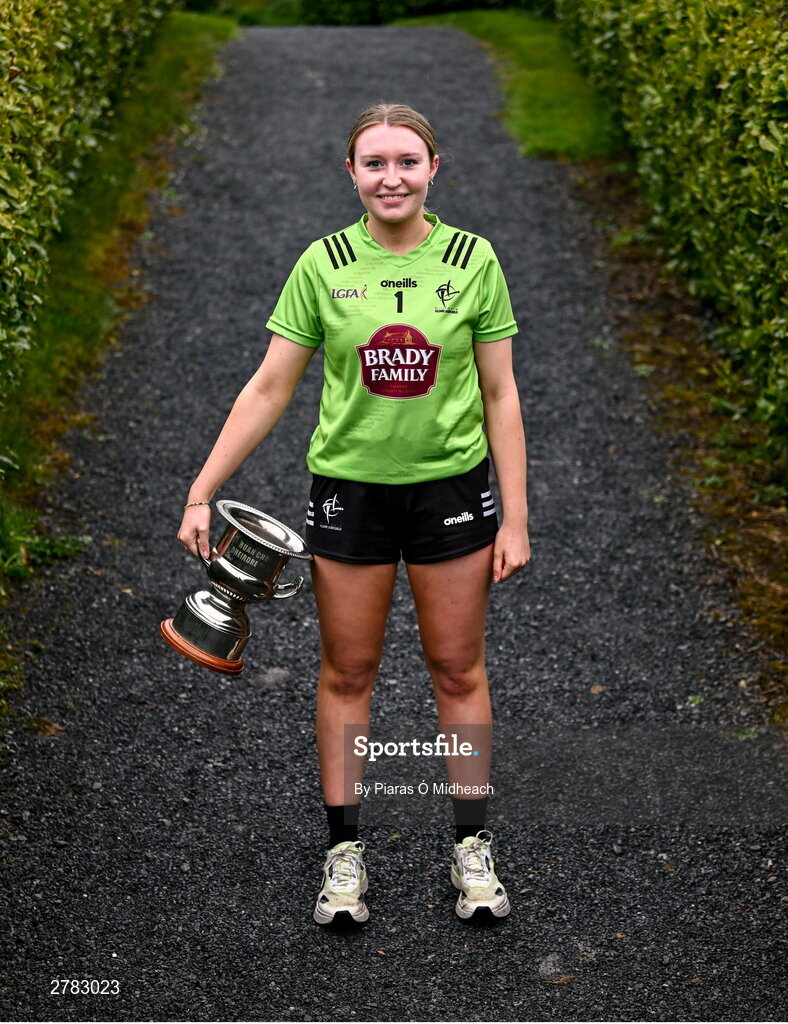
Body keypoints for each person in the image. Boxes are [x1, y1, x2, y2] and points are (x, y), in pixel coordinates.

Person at [177, 103, 530, 925]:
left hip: (451, 492)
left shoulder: (473, 260)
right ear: (351, 174)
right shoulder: (324, 263)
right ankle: (344, 854)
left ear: (433, 168)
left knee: (456, 670)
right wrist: (202, 490)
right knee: (347, 672)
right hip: (350, 496)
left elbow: (503, 394)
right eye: (374, 163)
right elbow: (269, 386)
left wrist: (515, 517)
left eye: (407, 161)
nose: (391, 177)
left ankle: (471, 850)